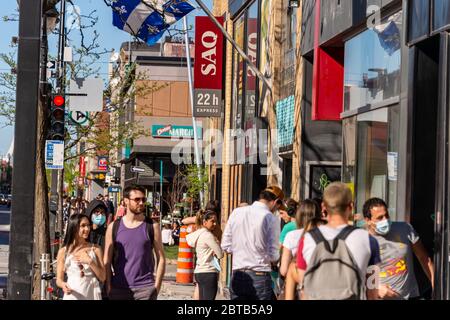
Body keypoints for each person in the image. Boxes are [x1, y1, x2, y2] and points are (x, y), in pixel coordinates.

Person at [297, 182, 380, 300]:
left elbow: (304, 289)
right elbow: (372, 291)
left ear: (323, 207)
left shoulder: (307, 239)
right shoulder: (369, 240)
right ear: (351, 206)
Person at [221, 185, 286, 300]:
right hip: (260, 275)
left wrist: (241, 250)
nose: (277, 210)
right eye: (278, 206)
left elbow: (225, 245)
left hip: (238, 274)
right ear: (276, 202)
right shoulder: (270, 218)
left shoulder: (237, 212)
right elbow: (273, 256)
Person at [363, 198, 434, 300]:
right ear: (368, 220)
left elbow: (424, 259)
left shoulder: (405, 229)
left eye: (386, 215)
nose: (385, 220)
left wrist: (436, 287)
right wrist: (377, 289)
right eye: (380, 218)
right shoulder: (362, 241)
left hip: (411, 296)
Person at [103, 185, 166, 300]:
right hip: (118, 288)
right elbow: (106, 259)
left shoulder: (152, 226)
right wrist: (108, 286)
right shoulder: (114, 227)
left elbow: (161, 258)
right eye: (137, 199)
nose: (141, 203)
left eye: (143, 199)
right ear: (126, 201)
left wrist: (156, 287)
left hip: (145, 289)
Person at [56, 214, 106, 300]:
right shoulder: (63, 252)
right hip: (72, 295)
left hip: (91, 294)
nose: (87, 229)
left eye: (88, 225)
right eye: (83, 226)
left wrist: (90, 261)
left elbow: (103, 277)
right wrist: (63, 285)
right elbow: (58, 280)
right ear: (74, 227)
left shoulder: (96, 249)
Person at [186, 210, 224, 300]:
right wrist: (217, 243)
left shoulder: (197, 234)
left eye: (216, 221)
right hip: (209, 272)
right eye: (212, 221)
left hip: (199, 272)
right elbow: (220, 254)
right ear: (204, 222)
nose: (215, 224)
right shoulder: (208, 236)